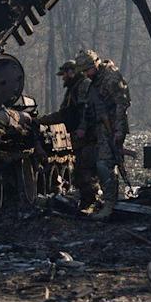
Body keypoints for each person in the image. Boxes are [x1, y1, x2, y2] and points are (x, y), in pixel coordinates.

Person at [75, 49, 131, 220]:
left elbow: (122, 105)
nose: (86, 74)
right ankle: (110, 202)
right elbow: (89, 108)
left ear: (95, 65)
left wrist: (119, 131)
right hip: (101, 128)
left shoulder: (111, 78)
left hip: (113, 127)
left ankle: (109, 204)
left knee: (104, 164)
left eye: (87, 70)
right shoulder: (94, 82)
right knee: (103, 164)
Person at [36, 60, 99, 208]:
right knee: (82, 172)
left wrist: (82, 129)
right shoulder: (74, 88)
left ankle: (90, 203)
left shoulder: (82, 86)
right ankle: (89, 202)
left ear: (72, 72)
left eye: (64, 74)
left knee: (84, 172)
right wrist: (43, 120)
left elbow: (85, 111)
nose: (63, 78)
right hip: (81, 136)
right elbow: (66, 114)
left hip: (87, 137)